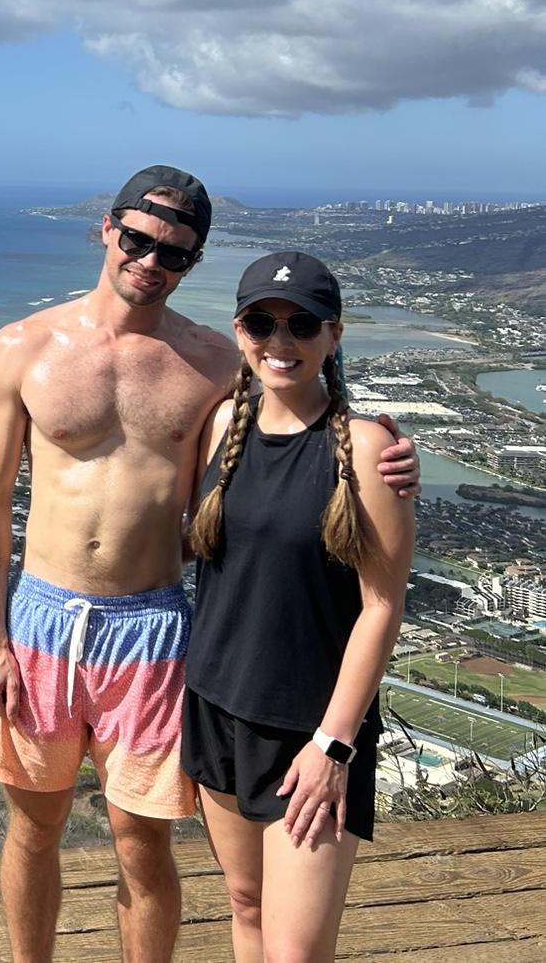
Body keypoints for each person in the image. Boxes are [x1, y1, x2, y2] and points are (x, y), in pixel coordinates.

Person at [0, 168, 419, 963]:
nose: (150, 260)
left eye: (173, 252)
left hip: (151, 624)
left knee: (142, 845)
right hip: (41, 617)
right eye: (137, 239)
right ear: (106, 229)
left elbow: (295, 421)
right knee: (32, 832)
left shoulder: (215, 365)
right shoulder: (22, 347)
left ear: (193, 262)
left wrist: (387, 448)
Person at [182, 252, 415, 962]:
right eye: (261, 323)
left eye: (302, 325)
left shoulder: (367, 451)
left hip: (310, 731)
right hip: (217, 707)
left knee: (296, 952)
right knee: (246, 907)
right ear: (240, 330)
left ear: (334, 335)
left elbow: (382, 608)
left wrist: (334, 745)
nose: (279, 342)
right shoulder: (222, 425)